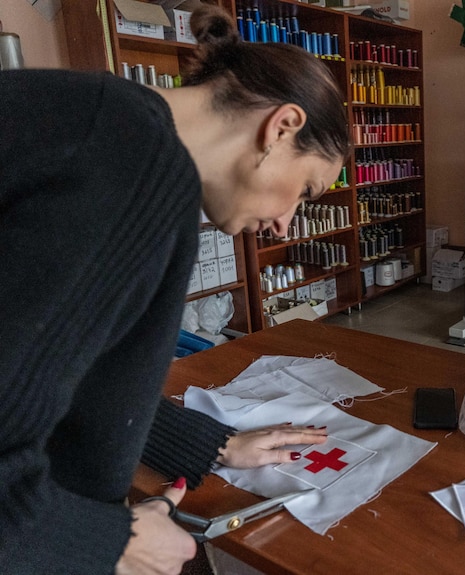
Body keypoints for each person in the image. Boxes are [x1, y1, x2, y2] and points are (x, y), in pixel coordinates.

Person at [0, 4, 349, 574]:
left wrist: (212, 446)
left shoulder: (96, 117)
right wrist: (107, 543)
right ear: (281, 127)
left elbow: (65, 372)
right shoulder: (140, 165)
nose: (288, 223)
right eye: (305, 190)